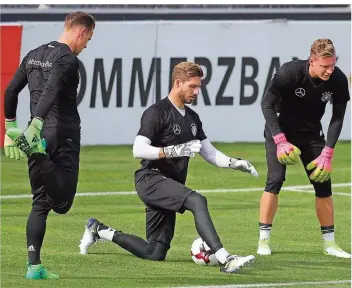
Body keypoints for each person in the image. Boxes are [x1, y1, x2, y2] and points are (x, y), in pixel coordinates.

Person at [79, 61, 259, 273]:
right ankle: (224, 258)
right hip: (150, 179)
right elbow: (138, 149)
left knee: (154, 252)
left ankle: (98, 229)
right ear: (177, 83)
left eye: (199, 86)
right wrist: (172, 151)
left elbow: (208, 152)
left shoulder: (192, 118)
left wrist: (234, 163)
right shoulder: (157, 112)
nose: (197, 91)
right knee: (197, 200)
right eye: (192, 86)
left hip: (169, 184)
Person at [4, 11, 95, 279]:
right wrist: (35, 126)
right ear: (81, 32)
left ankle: (34, 268)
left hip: (38, 133)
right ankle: (39, 155)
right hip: (60, 133)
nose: (87, 44)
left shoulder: (33, 53)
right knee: (63, 204)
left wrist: (10, 128)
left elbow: (11, 91)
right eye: (89, 38)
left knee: (39, 203)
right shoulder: (67, 57)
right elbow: (52, 90)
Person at [257, 39, 351, 258]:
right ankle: (263, 240)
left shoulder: (337, 79)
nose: (330, 70)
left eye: (333, 65)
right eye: (324, 66)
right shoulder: (288, 73)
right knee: (275, 180)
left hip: (310, 134)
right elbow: (267, 105)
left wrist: (328, 152)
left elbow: (338, 117)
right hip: (280, 131)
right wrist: (280, 140)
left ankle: (330, 244)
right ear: (312, 61)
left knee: (323, 183)